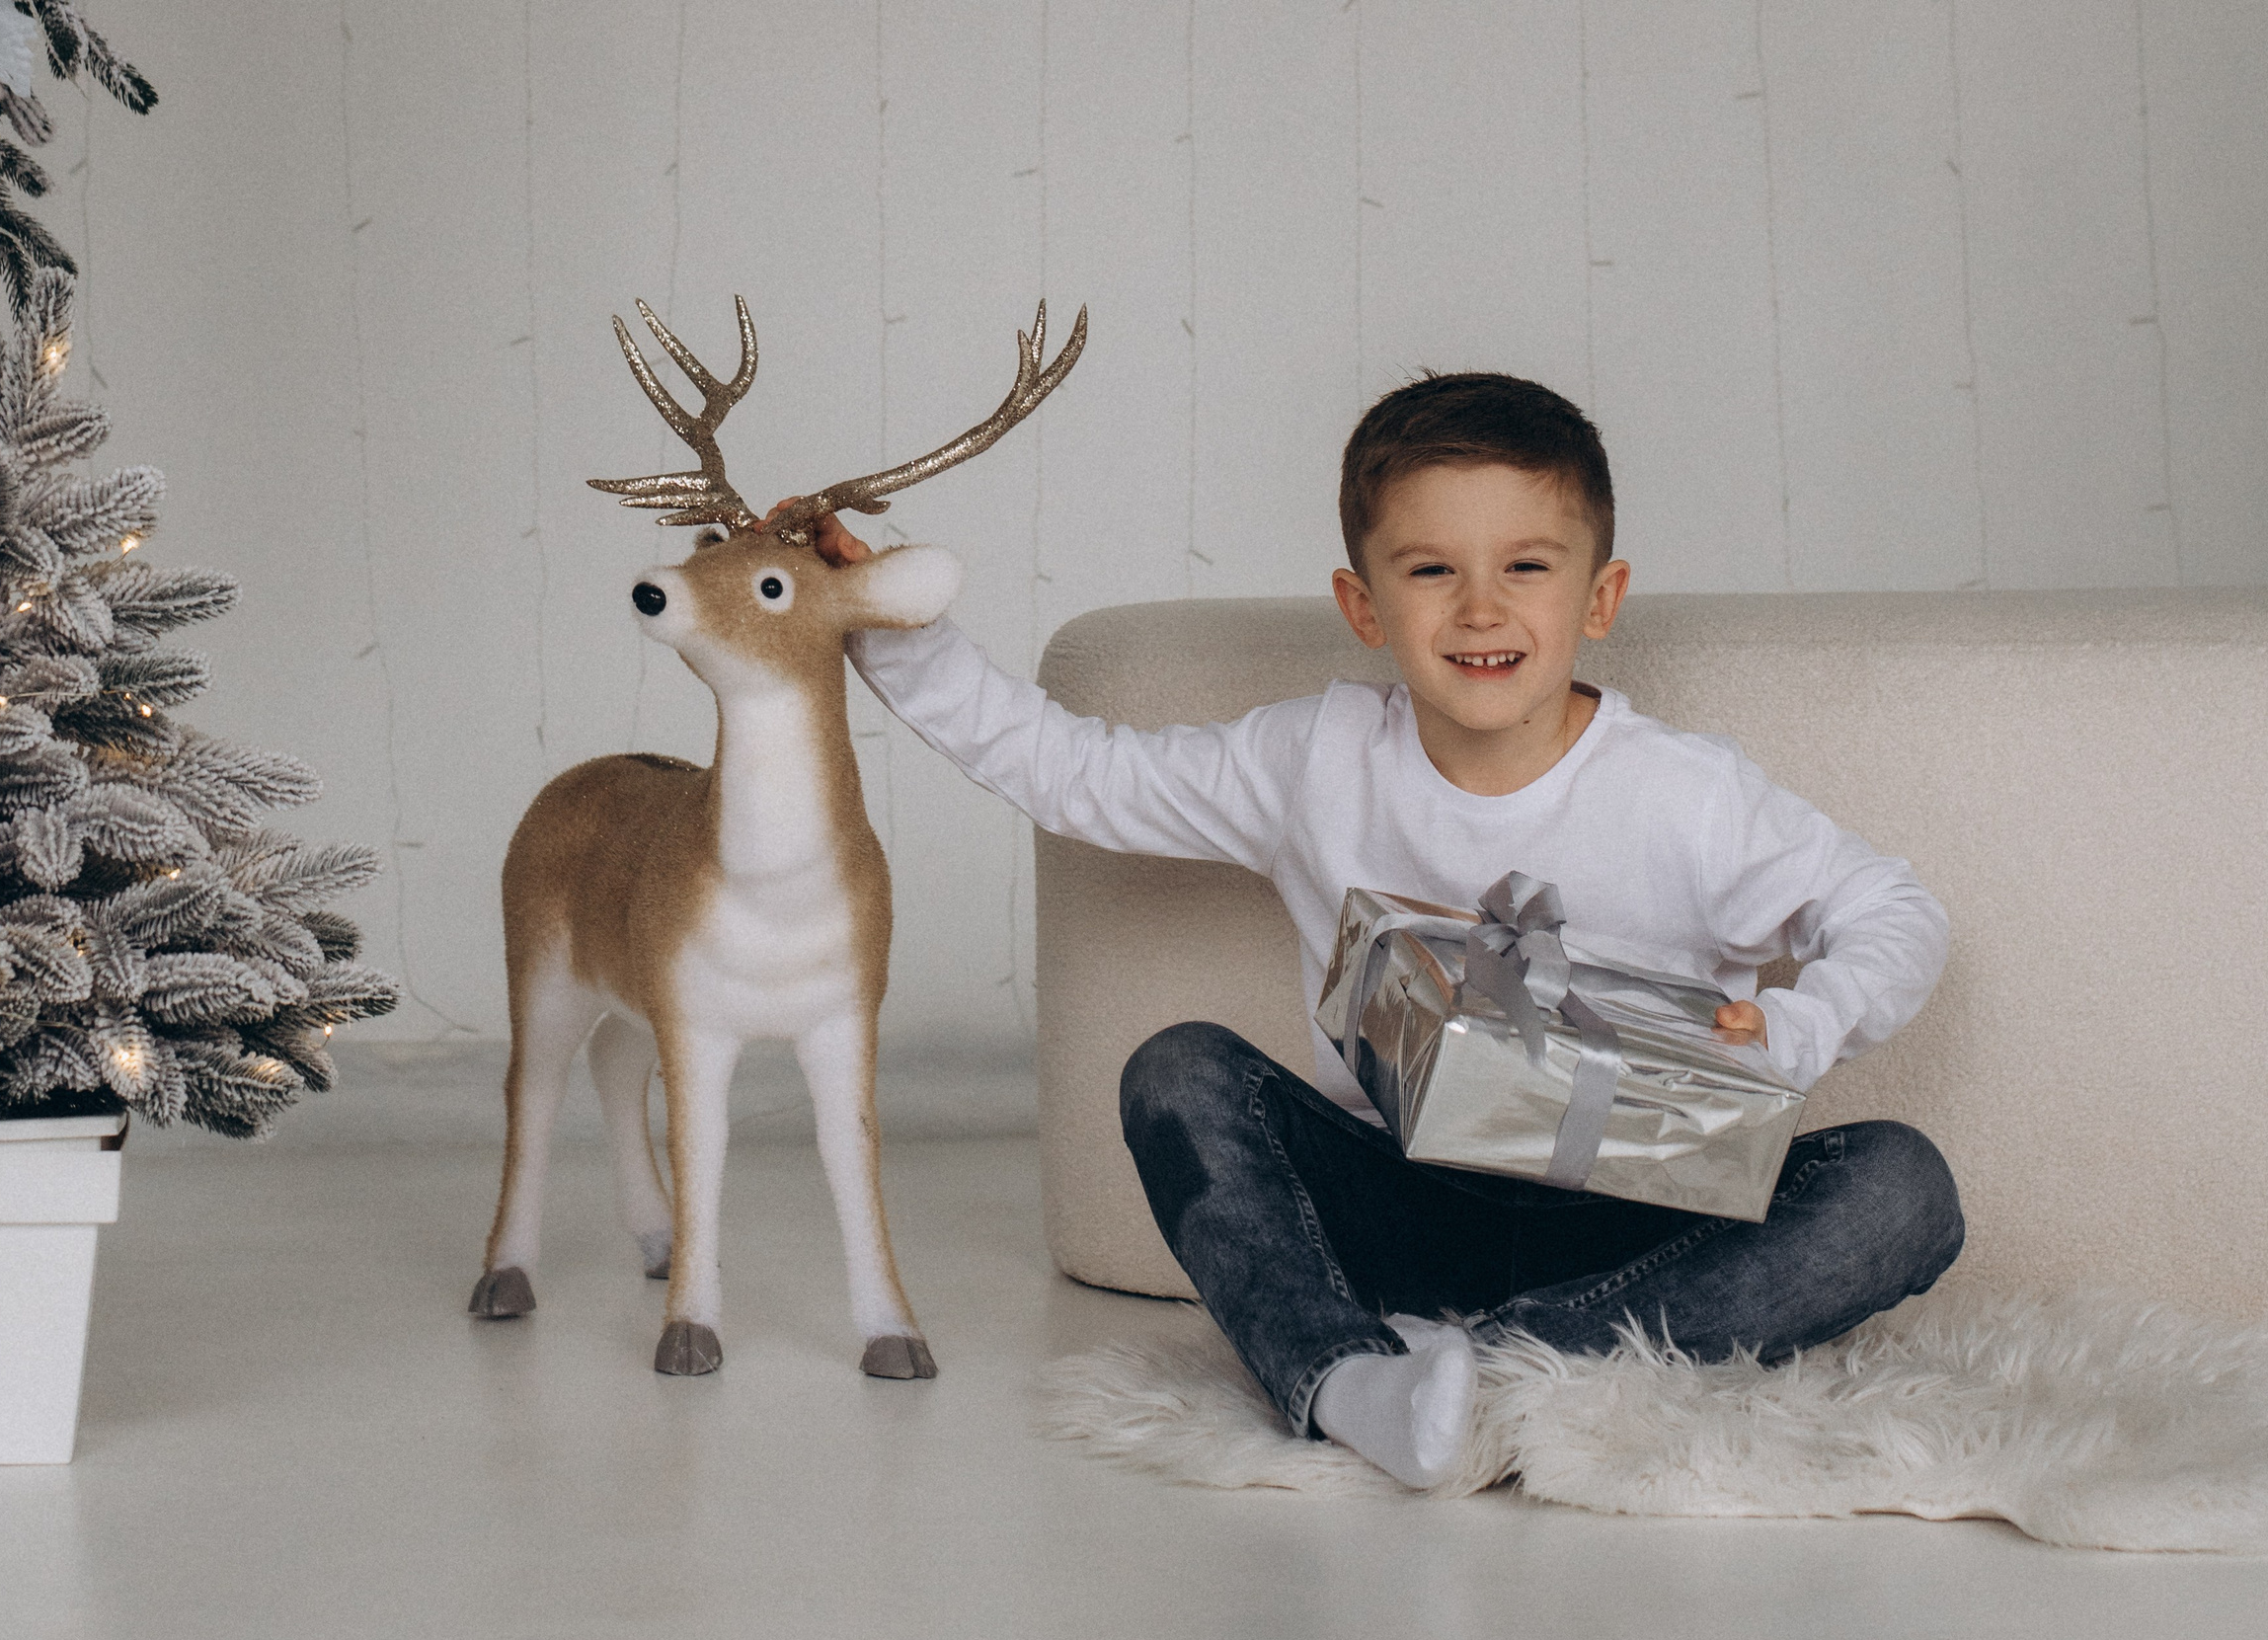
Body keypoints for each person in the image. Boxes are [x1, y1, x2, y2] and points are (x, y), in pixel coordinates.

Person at [817, 372, 1963, 1489]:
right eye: (1430, 571)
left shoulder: (1687, 796)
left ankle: (1511, 1360)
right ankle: (1351, 1383)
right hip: (1397, 1199)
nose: (1480, 608)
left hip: (1642, 1217)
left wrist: (1799, 1026)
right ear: (1363, 604)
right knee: (1176, 1072)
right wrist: (889, 627)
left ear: (1599, 599)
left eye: (1526, 567)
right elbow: (1075, 777)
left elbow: (1891, 912)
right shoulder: (1312, 759)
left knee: (1901, 1189)